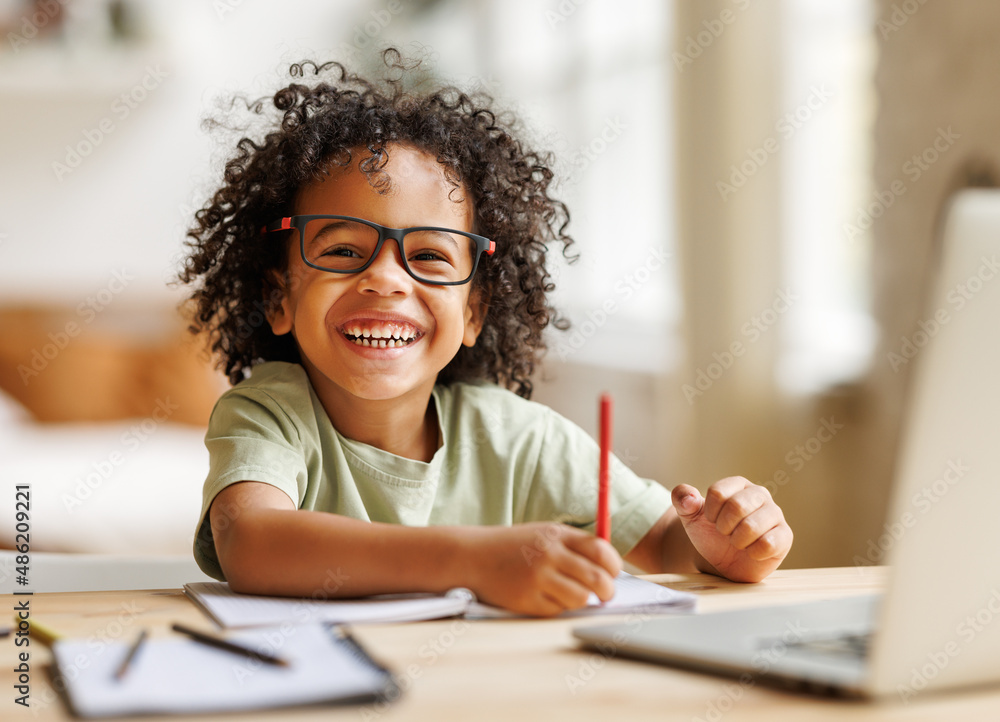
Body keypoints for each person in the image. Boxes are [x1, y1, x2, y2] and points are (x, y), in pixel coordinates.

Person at [179, 50, 792, 616]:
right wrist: (472, 561)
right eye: (342, 250)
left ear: (474, 313)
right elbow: (252, 542)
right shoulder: (269, 414)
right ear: (277, 297)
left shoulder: (519, 440)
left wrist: (722, 548)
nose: (387, 279)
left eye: (431, 256)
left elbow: (663, 544)